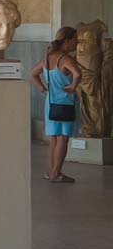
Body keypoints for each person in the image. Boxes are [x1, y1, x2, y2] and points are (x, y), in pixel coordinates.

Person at [33, 26, 81, 184]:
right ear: (67, 41)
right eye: (75, 39)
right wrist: (73, 86)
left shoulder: (48, 58)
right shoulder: (65, 59)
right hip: (66, 103)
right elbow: (77, 73)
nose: (77, 42)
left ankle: (51, 171)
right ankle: (56, 173)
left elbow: (34, 73)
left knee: (54, 138)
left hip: (51, 103)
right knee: (63, 138)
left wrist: (42, 88)